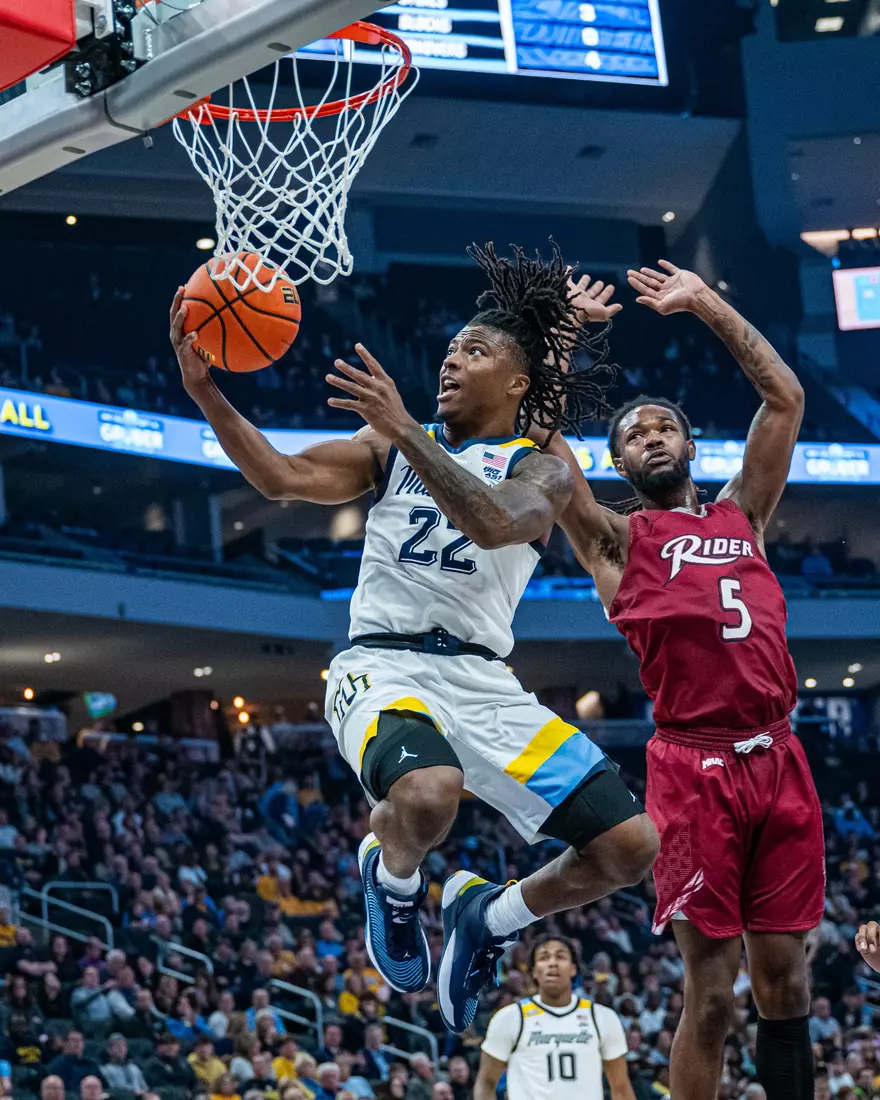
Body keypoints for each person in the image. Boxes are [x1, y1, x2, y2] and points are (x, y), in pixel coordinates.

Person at [170, 243, 657, 1035]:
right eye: (449, 349)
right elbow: (279, 476)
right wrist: (207, 392)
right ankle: (393, 883)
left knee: (629, 848)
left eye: (475, 350)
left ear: (518, 381)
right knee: (428, 794)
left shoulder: (542, 469)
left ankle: (487, 919)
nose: (450, 361)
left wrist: (411, 423)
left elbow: (497, 521)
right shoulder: (389, 450)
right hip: (382, 664)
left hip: (485, 684)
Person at [547, 260, 822, 1100]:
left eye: (665, 426)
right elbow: (542, 448)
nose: (653, 436)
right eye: (635, 434)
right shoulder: (613, 543)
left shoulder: (745, 512)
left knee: (788, 986)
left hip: (779, 757)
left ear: (689, 444)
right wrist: (558, 342)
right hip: (693, 771)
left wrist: (707, 303)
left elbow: (785, 400)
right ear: (621, 464)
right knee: (711, 1003)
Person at [475, 934, 634, 1100]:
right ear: (534, 971)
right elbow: (486, 1082)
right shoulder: (509, 1018)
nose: (552, 963)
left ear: (573, 968)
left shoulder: (602, 1017)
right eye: (544, 957)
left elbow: (621, 1087)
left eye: (560, 956)